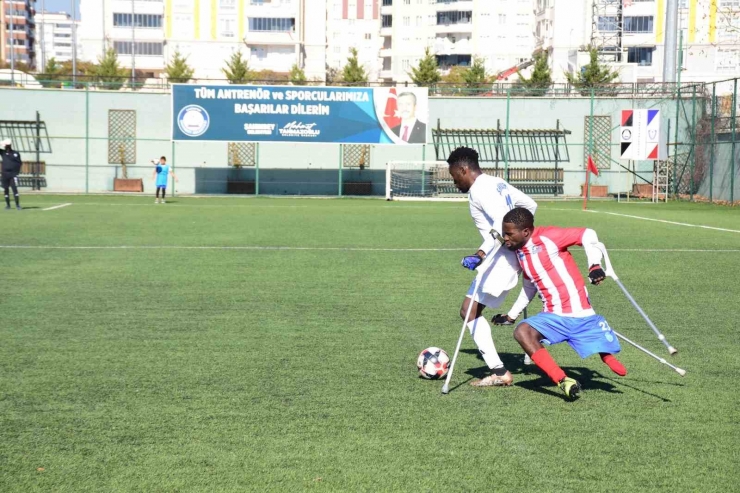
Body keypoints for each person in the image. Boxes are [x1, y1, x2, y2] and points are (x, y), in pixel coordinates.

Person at [498, 207, 627, 400]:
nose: (505, 239)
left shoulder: (549, 237)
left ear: (525, 231)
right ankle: (563, 380)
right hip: (552, 316)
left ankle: (605, 354)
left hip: (580, 314)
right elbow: (529, 286)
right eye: (503, 234)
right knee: (521, 331)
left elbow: (588, 233)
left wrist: (594, 265)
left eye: (509, 234)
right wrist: (511, 315)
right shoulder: (521, 253)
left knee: (598, 345)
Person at [448, 146, 537, 387]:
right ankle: (525, 354)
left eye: (454, 176)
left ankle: (499, 371)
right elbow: (530, 205)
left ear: (463, 169)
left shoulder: (479, 190)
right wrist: (522, 237)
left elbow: (501, 221)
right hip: (509, 253)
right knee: (470, 310)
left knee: (468, 311)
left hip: (501, 259)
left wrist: (481, 252)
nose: (455, 182)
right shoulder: (496, 182)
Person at [1, 139, 22, 210]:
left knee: (14, 189)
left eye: (6, 146)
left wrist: (16, 172)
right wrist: (2, 143)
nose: (5, 147)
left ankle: (17, 205)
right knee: (6, 189)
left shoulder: (15, 153)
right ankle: (8, 205)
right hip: (4, 174)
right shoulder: (2, 153)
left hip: (13, 174)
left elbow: (19, 163)